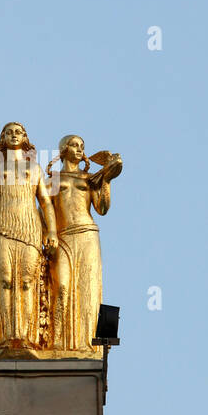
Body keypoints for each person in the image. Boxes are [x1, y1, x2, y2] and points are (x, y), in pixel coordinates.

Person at [0, 122, 58, 349]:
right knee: (5, 280)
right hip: (1, 226)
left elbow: (45, 202)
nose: (13, 135)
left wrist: (51, 230)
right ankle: (6, 336)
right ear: (3, 137)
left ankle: (26, 336)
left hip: (30, 226)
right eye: (9, 132)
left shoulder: (35, 169)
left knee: (27, 281)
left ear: (24, 137)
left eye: (18, 132)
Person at [47, 135, 122, 352]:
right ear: (63, 149)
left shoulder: (89, 179)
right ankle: (57, 340)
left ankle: (87, 342)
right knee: (61, 286)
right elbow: (46, 209)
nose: (79, 149)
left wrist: (106, 180)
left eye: (82, 146)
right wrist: (47, 234)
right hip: (62, 235)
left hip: (87, 233)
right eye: (74, 145)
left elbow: (102, 208)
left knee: (87, 287)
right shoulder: (52, 179)